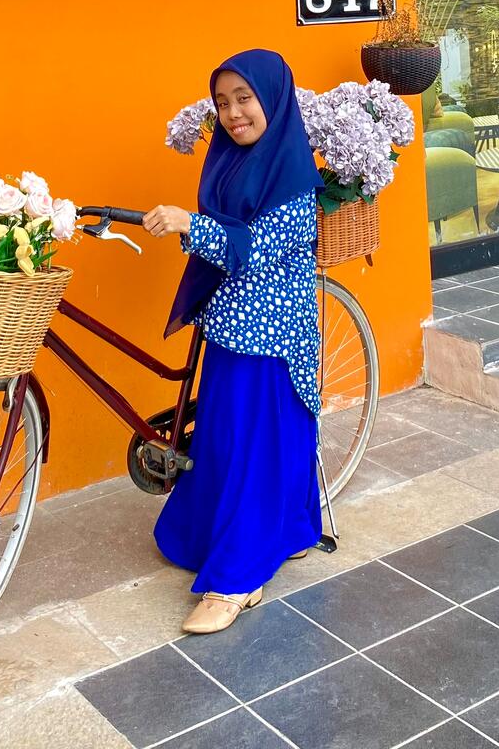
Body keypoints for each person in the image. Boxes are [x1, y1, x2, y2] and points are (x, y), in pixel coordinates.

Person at [142, 49, 325, 635]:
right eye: (222, 103)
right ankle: (292, 527)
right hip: (228, 326)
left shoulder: (292, 173)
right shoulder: (227, 159)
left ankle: (238, 578)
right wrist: (191, 227)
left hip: (270, 336)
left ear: (273, 98)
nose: (232, 113)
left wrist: (188, 224)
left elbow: (255, 246)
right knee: (225, 441)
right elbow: (224, 237)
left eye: (244, 99)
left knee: (252, 448)